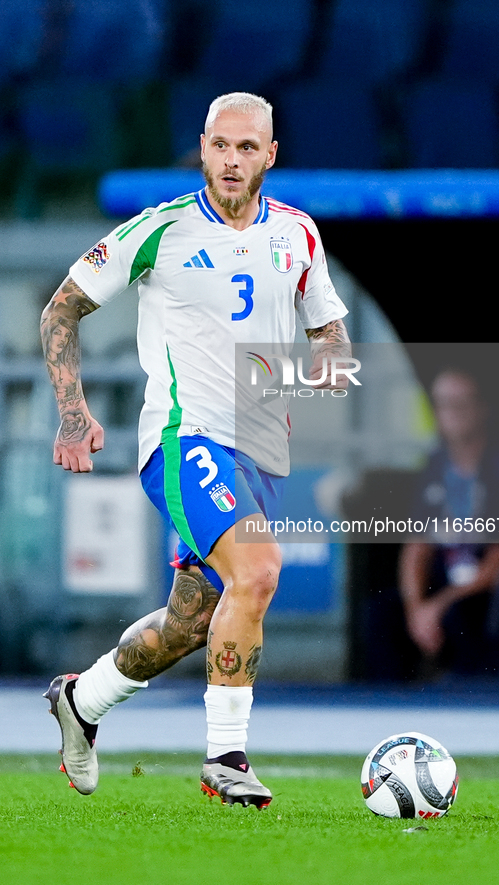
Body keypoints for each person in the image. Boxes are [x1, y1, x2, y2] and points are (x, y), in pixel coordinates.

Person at [40, 92, 350, 808]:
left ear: (271, 154)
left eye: (248, 148)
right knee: (261, 569)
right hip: (184, 438)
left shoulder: (299, 235)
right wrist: (71, 412)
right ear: (202, 147)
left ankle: (81, 699)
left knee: (190, 623)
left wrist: (331, 361)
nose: (232, 160)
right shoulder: (161, 229)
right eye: (220, 146)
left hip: (261, 450)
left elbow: (326, 329)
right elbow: (64, 304)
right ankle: (226, 759)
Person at [398, 368, 499, 677]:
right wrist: (416, 608)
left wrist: (439, 604)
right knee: (379, 616)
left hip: (482, 591)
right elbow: (416, 547)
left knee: (460, 615)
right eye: (443, 404)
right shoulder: (434, 468)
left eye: (460, 403)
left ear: (482, 408)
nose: (452, 413)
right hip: (443, 582)